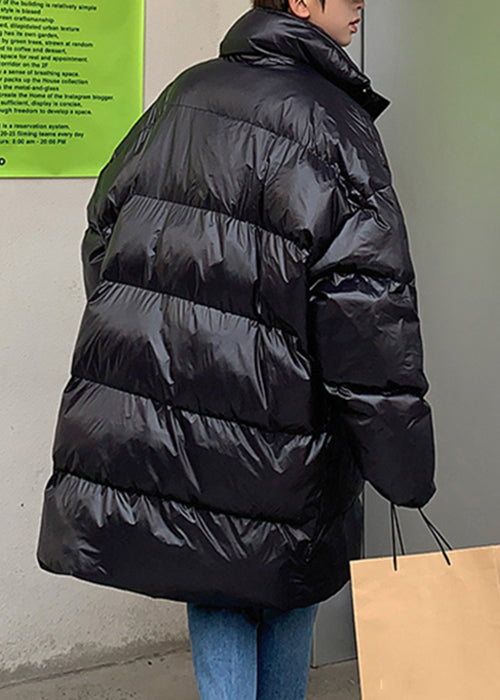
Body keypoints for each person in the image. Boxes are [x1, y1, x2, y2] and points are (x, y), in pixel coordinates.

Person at [36, 0, 437, 697]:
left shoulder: (183, 96)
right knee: (287, 575)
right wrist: (402, 464)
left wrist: (159, 336)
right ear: (301, 2)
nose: (361, 4)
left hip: (182, 413)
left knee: (214, 577)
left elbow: (104, 229)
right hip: (290, 426)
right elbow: (366, 309)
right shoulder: (333, 123)